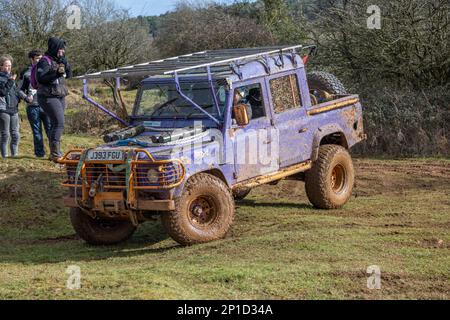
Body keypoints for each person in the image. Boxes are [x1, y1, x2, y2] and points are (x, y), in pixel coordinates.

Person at [36, 37, 72, 162]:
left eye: (63, 50)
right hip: (48, 96)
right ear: (55, 48)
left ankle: (54, 153)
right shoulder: (44, 61)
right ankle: (56, 154)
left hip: (59, 95)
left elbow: (69, 75)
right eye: (60, 50)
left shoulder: (59, 60)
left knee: (55, 124)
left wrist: (66, 64)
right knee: (59, 123)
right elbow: (41, 78)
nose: (62, 52)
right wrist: (56, 73)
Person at [19, 50, 52, 158]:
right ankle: (39, 154)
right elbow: (19, 90)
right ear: (32, 59)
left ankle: (54, 153)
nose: (40, 60)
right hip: (32, 106)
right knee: (37, 131)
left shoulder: (47, 70)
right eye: (37, 58)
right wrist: (25, 97)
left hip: (46, 105)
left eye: (41, 58)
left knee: (50, 129)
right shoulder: (26, 73)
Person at [0, 55, 26, 158]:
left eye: (10, 65)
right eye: (6, 65)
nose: (9, 67)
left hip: (14, 109)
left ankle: (14, 155)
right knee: (5, 134)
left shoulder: (11, 78)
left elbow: (17, 91)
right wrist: (11, 81)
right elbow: (2, 92)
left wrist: (26, 98)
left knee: (15, 134)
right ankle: (5, 155)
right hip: (3, 109)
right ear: (1, 66)